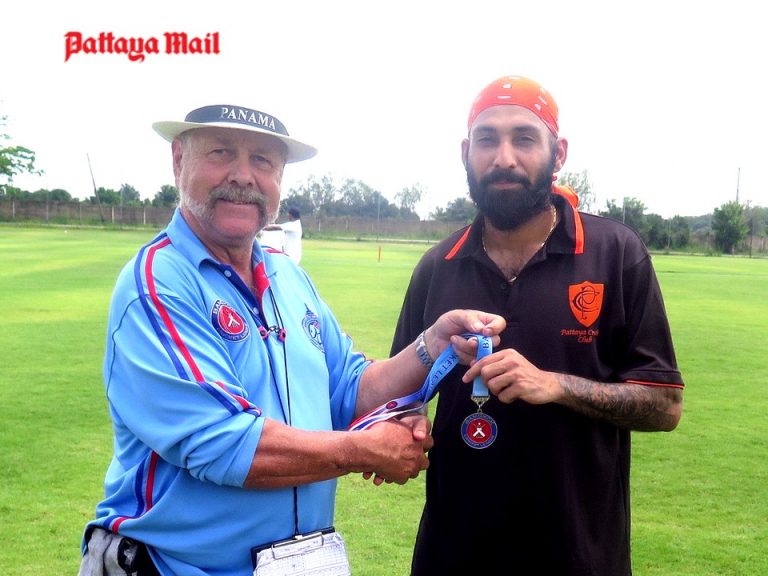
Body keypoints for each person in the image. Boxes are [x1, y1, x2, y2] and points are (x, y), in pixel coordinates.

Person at [78, 103, 506, 576]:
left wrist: (433, 345)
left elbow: (351, 389)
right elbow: (221, 444)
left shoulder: (287, 276)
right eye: (221, 152)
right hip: (172, 565)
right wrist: (365, 450)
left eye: (263, 160)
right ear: (179, 160)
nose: (243, 175)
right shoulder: (159, 282)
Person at [390, 75, 685, 575]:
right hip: (453, 555)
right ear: (466, 153)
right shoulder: (438, 265)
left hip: (579, 557)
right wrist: (407, 421)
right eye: (487, 139)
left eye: (524, 138)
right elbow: (400, 395)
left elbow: (664, 406)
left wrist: (554, 386)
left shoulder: (615, 254)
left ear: (558, 152)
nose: (503, 157)